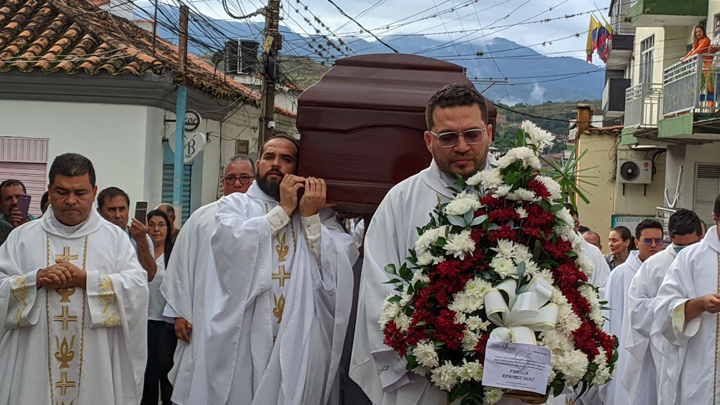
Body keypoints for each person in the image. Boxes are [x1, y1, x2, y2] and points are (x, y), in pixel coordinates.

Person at [350, 84, 574, 405]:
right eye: (447, 137)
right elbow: (380, 295)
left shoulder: (524, 194)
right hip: (428, 382)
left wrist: (543, 370)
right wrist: (439, 362)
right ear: (429, 141)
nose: (461, 146)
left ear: (490, 133)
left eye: (471, 134)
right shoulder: (400, 202)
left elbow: (558, 284)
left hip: (514, 382)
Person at [187, 135, 358, 405]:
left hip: (297, 335)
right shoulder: (237, 205)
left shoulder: (315, 212)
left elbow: (339, 264)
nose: (276, 164)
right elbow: (230, 248)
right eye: (269, 157)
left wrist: (310, 217)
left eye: (286, 159)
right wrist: (284, 209)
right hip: (245, 336)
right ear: (258, 164)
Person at [0, 153, 148, 404]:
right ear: (49, 190)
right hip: (33, 364)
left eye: (80, 193)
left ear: (94, 191)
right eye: (61, 192)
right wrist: (35, 279)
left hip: (96, 363)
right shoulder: (21, 237)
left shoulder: (115, 238)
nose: (70, 201)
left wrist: (86, 281)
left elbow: (137, 289)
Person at [160, 154, 255, 405]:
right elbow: (180, 267)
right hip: (202, 316)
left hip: (248, 319)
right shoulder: (202, 218)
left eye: (244, 178)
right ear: (222, 182)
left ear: (254, 180)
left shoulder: (264, 218)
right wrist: (179, 312)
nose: (237, 183)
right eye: (231, 178)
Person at [623, 209, 702, 405]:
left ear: (701, 236)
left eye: (691, 245)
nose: (685, 252)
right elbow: (637, 308)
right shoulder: (653, 265)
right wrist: (673, 307)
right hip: (664, 345)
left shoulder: (710, 262)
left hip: (701, 343)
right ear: (671, 239)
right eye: (679, 247)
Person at [653, 194, 720, 404]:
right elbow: (664, 311)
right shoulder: (690, 258)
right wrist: (699, 304)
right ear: (715, 217)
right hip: (700, 370)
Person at [600, 219, 664, 405]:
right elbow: (610, 318)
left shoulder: (670, 270)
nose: (653, 245)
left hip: (660, 348)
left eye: (658, 241)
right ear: (636, 242)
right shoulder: (620, 274)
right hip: (626, 348)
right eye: (648, 240)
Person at [141, 210, 175, 405]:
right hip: (144, 320)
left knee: (166, 369)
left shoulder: (173, 253)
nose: (156, 229)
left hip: (166, 322)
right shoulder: (139, 251)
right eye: (151, 224)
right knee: (148, 372)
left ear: (168, 227)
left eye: (161, 225)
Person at [97, 187, 157, 280]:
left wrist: (141, 241)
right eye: (112, 210)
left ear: (128, 210)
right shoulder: (94, 238)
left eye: (122, 209)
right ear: (99, 212)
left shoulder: (141, 238)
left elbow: (149, 275)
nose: (117, 215)